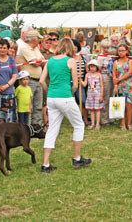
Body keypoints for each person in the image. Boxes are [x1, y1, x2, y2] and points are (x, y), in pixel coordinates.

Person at [39, 38, 91, 172]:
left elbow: (41, 81)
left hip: (51, 98)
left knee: (52, 129)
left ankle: (45, 164)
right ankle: (77, 158)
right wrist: (71, 92)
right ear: (70, 48)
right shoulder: (71, 61)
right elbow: (75, 84)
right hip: (65, 97)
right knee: (79, 125)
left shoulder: (50, 60)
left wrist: (48, 90)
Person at [17, 29, 45, 125]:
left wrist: (39, 61)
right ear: (33, 39)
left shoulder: (36, 49)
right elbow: (36, 63)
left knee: (38, 106)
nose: (39, 41)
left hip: (38, 79)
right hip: (29, 80)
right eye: (38, 38)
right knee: (29, 105)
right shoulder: (24, 48)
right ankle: (27, 128)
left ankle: (36, 127)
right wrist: (39, 61)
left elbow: (43, 61)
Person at [0, 39, 18, 127]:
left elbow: (14, 75)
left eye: (5, 48)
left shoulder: (11, 60)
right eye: (0, 47)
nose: (2, 50)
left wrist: (6, 86)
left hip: (9, 93)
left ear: (8, 49)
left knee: (9, 119)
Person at [113, 44, 132, 131]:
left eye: (122, 50)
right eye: (119, 51)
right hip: (120, 87)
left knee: (129, 106)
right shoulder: (116, 62)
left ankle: (129, 123)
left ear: (126, 51)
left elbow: (130, 73)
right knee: (121, 105)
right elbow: (114, 75)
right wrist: (116, 84)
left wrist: (119, 79)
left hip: (129, 86)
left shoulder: (130, 61)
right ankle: (122, 123)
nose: (121, 52)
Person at [82, 59, 104, 130]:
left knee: (97, 110)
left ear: (96, 67)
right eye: (91, 66)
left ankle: (97, 124)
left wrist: (101, 95)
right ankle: (93, 123)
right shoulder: (87, 75)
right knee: (91, 110)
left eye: (93, 66)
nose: (92, 68)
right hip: (90, 95)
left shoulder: (99, 75)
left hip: (97, 95)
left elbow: (101, 86)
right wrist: (80, 79)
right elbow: (85, 84)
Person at [72, 39, 89, 125]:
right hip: (70, 82)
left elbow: (86, 67)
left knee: (82, 101)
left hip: (80, 82)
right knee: (71, 102)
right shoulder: (68, 58)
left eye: (75, 47)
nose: (74, 49)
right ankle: (75, 120)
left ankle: (85, 119)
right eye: (72, 47)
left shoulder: (81, 57)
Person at [97, 39, 114, 125]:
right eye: (104, 47)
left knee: (111, 97)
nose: (106, 49)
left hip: (112, 77)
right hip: (104, 76)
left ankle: (111, 117)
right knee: (105, 98)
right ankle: (104, 119)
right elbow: (99, 70)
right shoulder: (100, 57)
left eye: (107, 47)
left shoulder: (110, 56)